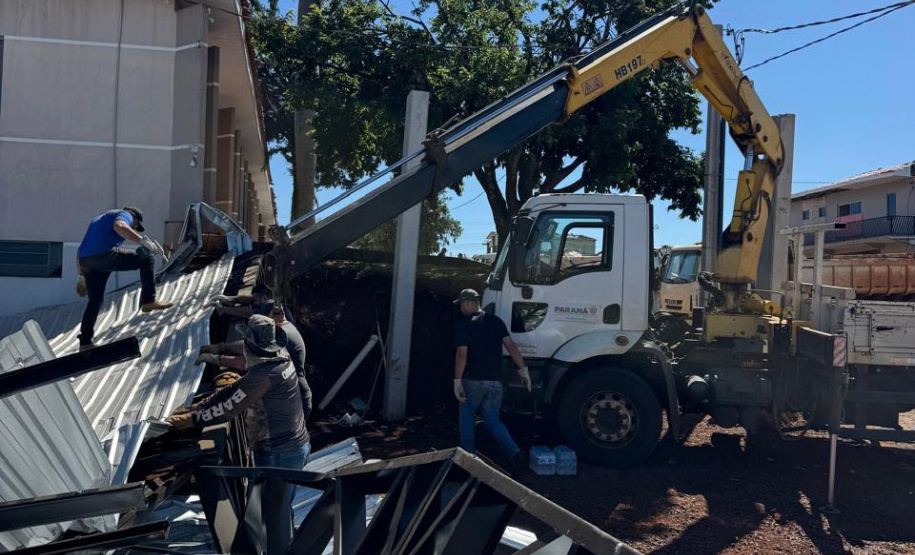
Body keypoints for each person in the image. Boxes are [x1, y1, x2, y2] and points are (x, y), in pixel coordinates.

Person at [165, 314, 310, 469]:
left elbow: (228, 409)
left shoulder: (263, 375)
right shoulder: (280, 356)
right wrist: (204, 404)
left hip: (280, 454)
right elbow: (237, 387)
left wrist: (191, 419)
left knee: (268, 486)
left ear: (251, 344)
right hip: (292, 446)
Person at [453, 288, 531, 469]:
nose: (460, 309)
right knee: (492, 419)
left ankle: (468, 459)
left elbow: (461, 355)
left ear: (467, 303)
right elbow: (511, 347)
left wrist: (457, 381)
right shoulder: (496, 322)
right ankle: (514, 452)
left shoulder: (464, 325)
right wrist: (523, 371)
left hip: (472, 381)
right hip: (495, 382)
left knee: (467, 419)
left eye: (461, 305)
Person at [77, 207, 172, 350]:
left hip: (87, 262)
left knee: (95, 301)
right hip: (104, 256)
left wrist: (82, 276)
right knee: (147, 260)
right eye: (135, 226)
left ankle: (85, 343)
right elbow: (119, 226)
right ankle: (149, 300)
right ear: (135, 219)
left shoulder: (99, 220)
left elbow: (80, 250)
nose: (133, 229)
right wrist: (142, 241)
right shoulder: (125, 215)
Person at [197, 306, 313, 422]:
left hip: (293, 401)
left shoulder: (280, 341)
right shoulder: (276, 332)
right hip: (291, 392)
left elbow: (245, 363)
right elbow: (246, 346)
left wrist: (218, 359)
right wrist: (219, 348)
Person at [211, 283, 294, 321]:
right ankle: (229, 300)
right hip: (267, 308)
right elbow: (271, 302)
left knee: (249, 312)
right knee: (251, 299)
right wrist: (261, 300)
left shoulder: (288, 321)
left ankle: (223, 309)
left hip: (267, 320)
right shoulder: (283, 307)